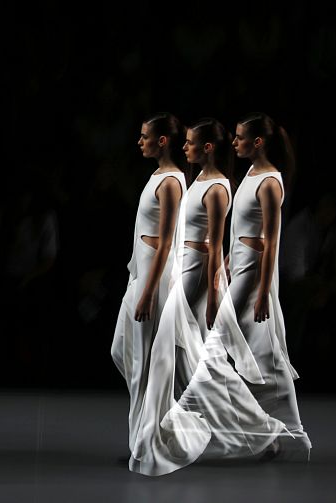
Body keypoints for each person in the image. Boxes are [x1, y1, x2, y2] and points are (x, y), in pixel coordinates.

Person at [129, 118, 286, 476]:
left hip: (197, 273)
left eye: (190, 143)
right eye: (182, 143)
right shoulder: (195, 180)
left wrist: (214, 296)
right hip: (183, 268)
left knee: (172, 356)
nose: (185, 148)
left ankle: (150, 439)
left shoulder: (218, 187)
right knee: (195, 362)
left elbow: (215, 245)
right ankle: (260, 430)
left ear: (207, 148)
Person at [228, 112, 312, 456]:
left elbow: (271, 240)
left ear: (258, 142)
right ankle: (270, 435)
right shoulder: (249, 174)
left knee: (256, 356)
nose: (234, 142)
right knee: (248, 357)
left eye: (240, 137)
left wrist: (263, 292)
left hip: (255, 278)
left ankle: (279, 435)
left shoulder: (271, 181)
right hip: (240, 271)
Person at [111, 113, 187, 454]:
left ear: (162, 141)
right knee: (121, 350)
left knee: (143, 362)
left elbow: (167, 241)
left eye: (145, 136)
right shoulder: (159, 176)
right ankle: (158, 424)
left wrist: (149, 292)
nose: (139, 141)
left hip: (152, 282)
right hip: (139, 275)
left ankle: (143, 444)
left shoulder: (171, 181)